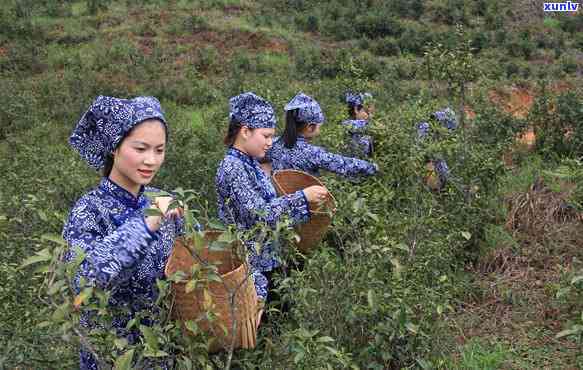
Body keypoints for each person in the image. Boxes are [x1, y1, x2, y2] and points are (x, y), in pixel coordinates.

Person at [63, 96, 184, 369]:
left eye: (159, 150)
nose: (151, 160)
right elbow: (85, 278)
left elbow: (195, 260)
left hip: (164, 351)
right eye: (140, 148)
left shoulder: (162, 199)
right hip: (112, 355)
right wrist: (148, 220)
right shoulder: (89, 211)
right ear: (114, 148)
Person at [215, 92, 328, 302]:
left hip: (267, 257)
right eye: (265, 136)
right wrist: (302, 197)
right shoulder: (233, 168)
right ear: (245, 131)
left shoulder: (251, 163)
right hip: (250, 265)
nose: (270, 142)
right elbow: (261, 214)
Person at [267, 92, 378, 178]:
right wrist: (372, 167)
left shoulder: (273, 144)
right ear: (310, 127)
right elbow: (344, 164)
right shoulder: (312, 153)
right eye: (319, 125)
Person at [416, 107, 457, 190]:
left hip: (431, 161)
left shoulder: (436, 134)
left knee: (444, 173)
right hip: (423, 163)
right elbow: (421, 150)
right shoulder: (425, 127)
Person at [342, 91, 376, 157]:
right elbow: (373, 126)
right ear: (356, 109)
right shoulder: (348, 125)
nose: (370, 116)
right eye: (367, 112)